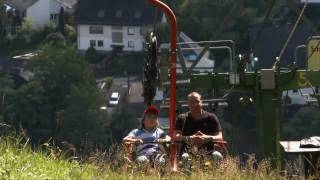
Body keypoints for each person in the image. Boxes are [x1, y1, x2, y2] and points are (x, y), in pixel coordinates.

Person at [174, 92, 224, 162]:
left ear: (201, 102)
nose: (195, 104)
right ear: (188, 104)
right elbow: (175, 136)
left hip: (209, 152)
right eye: (192, 102)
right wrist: (190, 138)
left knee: (217, 156)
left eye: (197, 101)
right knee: (184, 157)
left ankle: (216, 173)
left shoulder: (211, 117)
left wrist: (206, 138)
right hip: (187, 152)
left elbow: (220, 137)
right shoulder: (182, 118)